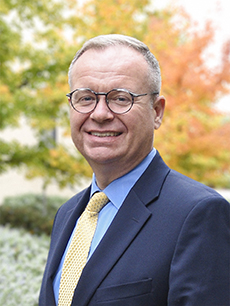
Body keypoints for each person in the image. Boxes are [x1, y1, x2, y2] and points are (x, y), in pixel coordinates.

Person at [39, 34, 230, 306]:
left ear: (157, 112)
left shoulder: (199, 214)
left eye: (120, 98)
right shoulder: (69, 214)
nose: (100, 113)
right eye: (85, 98)